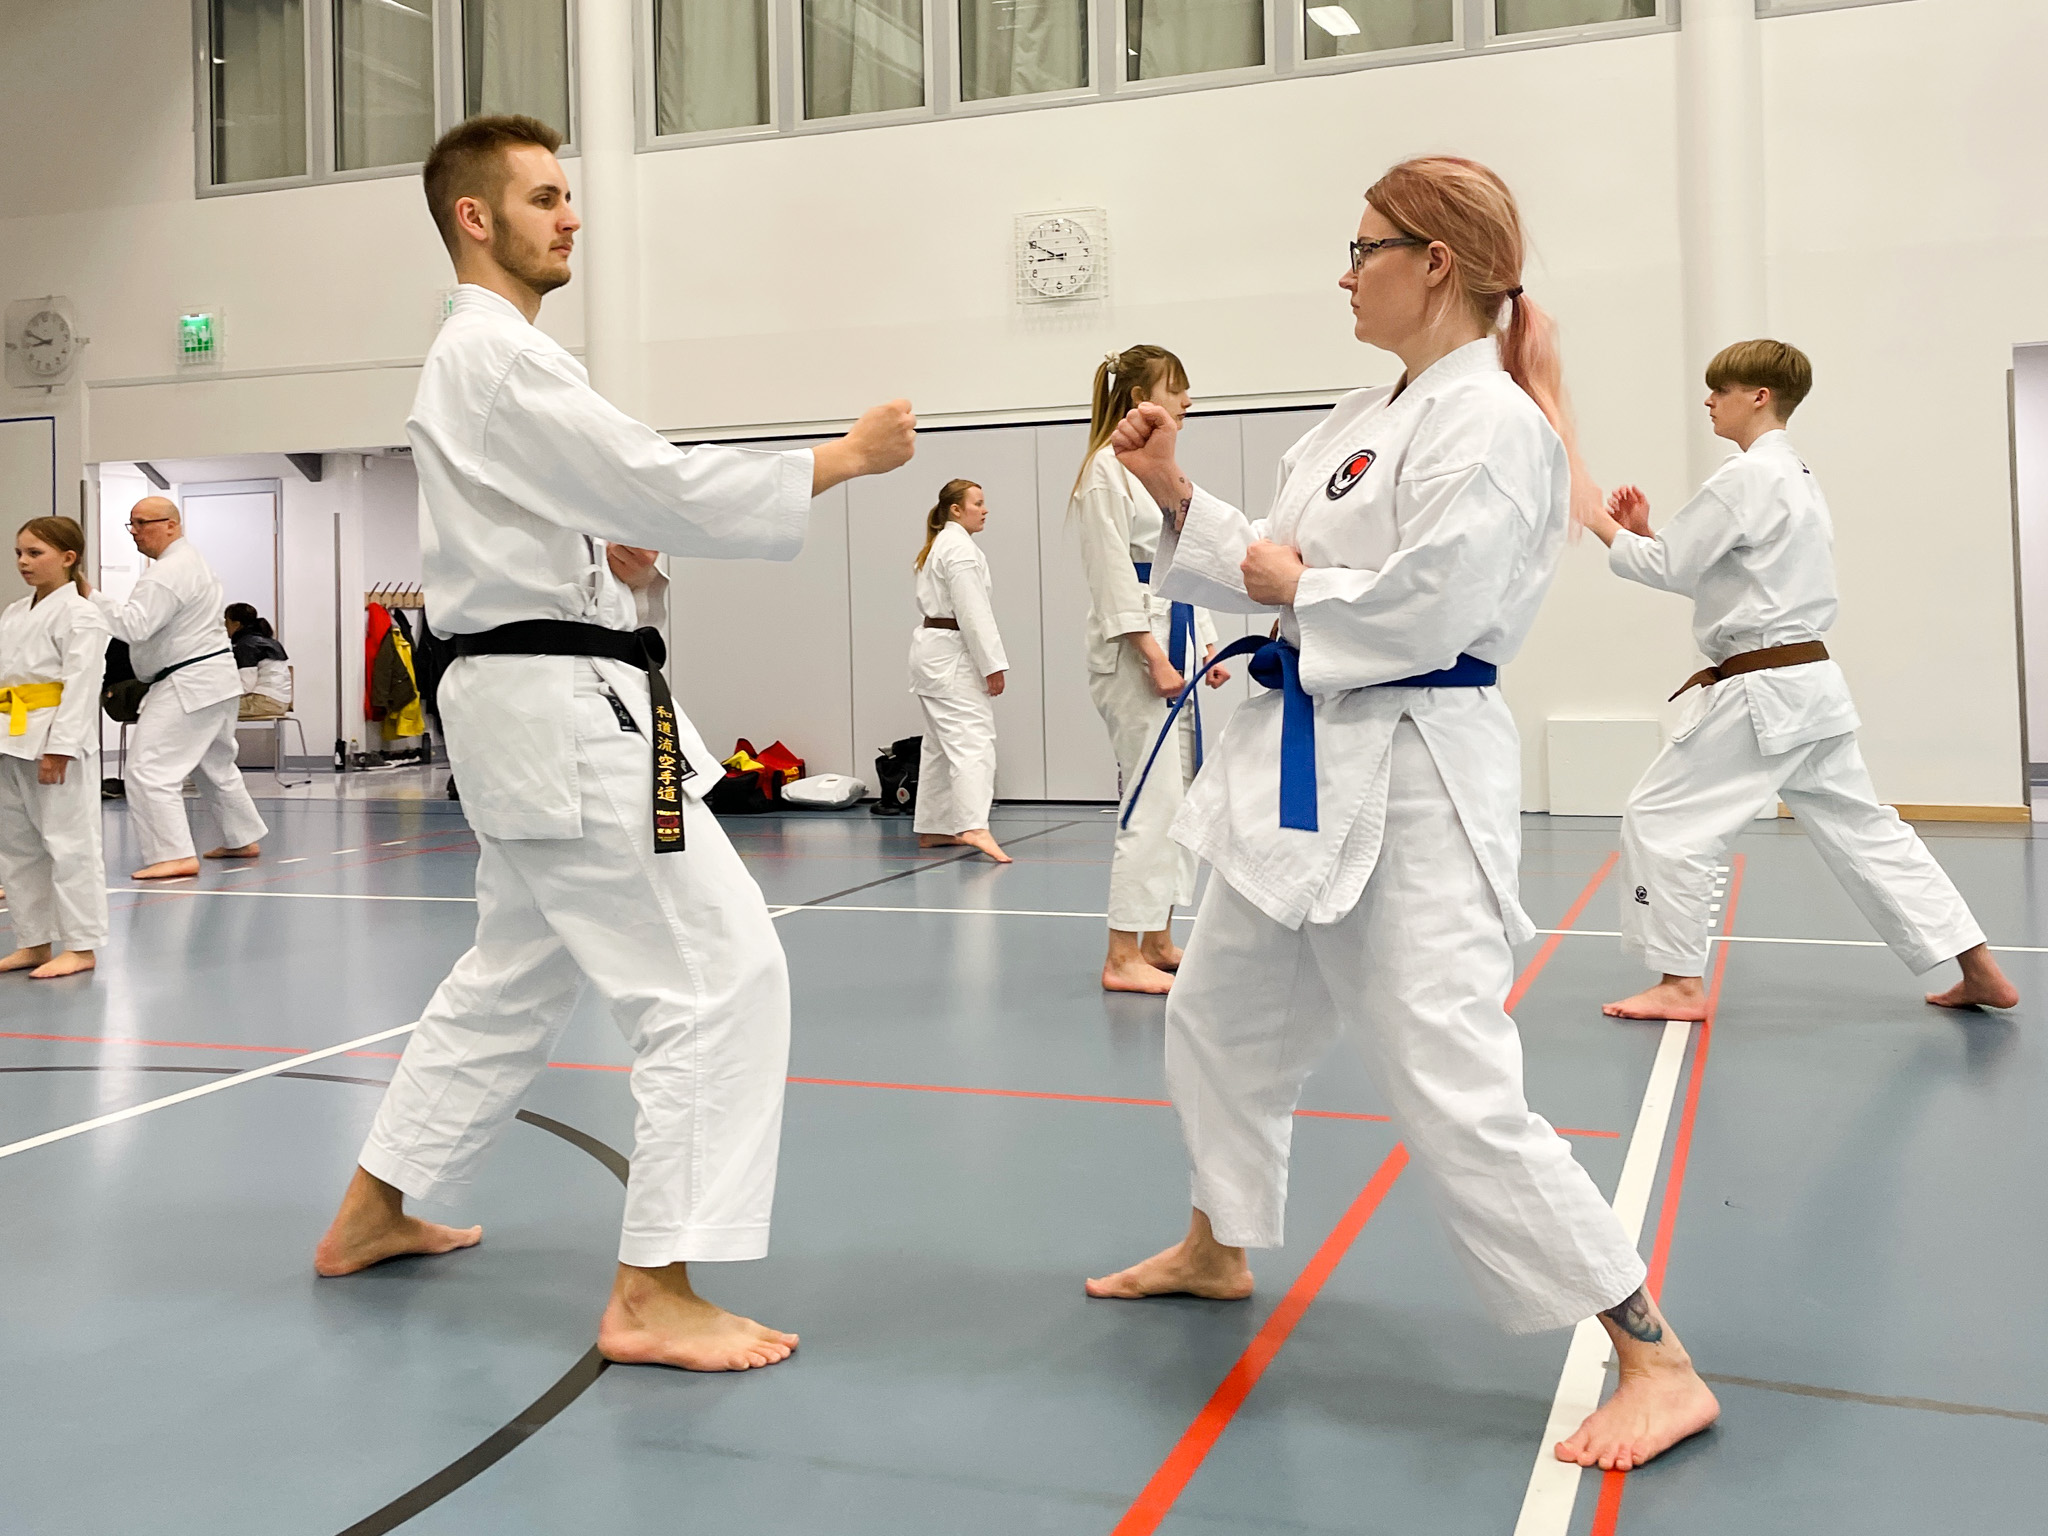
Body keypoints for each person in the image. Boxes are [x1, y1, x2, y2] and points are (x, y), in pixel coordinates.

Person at [1084, 157, 1719, 1474]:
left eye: (1363, 248)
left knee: (1449, 1081)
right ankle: (1216, 1243)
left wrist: (1294, 587)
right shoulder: (1361, 414)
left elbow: (1431, 604)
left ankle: (1654, 1357)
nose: (1344, 273)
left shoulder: (1493, 423)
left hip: (1415, 774)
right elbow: (1269, 557)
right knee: (1218, 1023)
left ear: (1435, 262)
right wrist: (1178, 495)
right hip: (1297, 772)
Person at [312, 114, 916, 1374]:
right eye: (544, 197)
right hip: (557, 718)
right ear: (474, 217)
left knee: (512, 976)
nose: (570, 215)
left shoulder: (498, 361)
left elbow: (591, 518)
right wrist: (842, 459)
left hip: (533, 709)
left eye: (569, 195)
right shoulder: (492, 356)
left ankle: (375, 1208)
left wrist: (612, 559)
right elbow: (658, 479)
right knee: (717, 979)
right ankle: (654, 1291)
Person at [1586, 340, 2017, 1020]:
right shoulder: (1795, 477)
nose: (1708, 401)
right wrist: (1643, 534)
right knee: (1867, 832)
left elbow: (1665, 566)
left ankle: (1680, 984)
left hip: (1764, 690)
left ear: (1759, 396)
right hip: (1808, 684)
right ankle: (1980, 969)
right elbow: (1728, 579)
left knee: (1662, 817)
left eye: (1721, 391)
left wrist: (1597, 519)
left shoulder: (1748, 477)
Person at [1069, 345, 1230, 993]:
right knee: (1150, 795)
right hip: (1135, 650)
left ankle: (1158, 938)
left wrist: (1206, 644)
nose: (1187, 400)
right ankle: (1121, 954)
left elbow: (1179, 558)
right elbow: (1111, 575)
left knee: (1180, 796)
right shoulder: (1103, 472)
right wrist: (1153, 655)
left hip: (1174, 633)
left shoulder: (1152, 467)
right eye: (1175, 388)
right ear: (1140, 397)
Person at [85, 498, 266, 878]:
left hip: (189, 682)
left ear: (171, 524)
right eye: (131, 524)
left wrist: (91, 597)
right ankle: (241, 837)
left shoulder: (166, 573)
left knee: (148, 769)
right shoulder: (191, 563)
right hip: (213, 680)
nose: (135, 531)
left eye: (143, 523)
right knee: (214, 764)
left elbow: (134, 626)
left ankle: (174, 854)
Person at [0, 517, 109, 979]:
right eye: (19, 553)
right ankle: (34, 941)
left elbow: (82, 688)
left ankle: (81, 946)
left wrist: (60, 748)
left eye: (35, 553)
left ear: (68, 558)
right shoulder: (13, 612)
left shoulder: (81, 615)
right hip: (10, 735)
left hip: (53, 739)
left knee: (70, 844)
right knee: (18, 846)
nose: (23, 562)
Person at [908, 479, 1011, 864]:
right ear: (955, 509)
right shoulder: (960, 550)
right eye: (977, 503)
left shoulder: (943, 544)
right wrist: (993, 665)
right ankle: (973, 825)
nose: (985, 510)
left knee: (939, 745)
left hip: (934, 653)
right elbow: (973, 613)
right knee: (973, 740)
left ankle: (936, 827)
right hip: (952, 656)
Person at [225, 602, 292, 720]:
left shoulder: (246, 645)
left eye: (226, 622)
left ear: (236, 624)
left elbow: (246, 685)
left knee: (212, 710)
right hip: (281, 702)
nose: (224, 627)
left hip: (263, 702)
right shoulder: (269, 641)